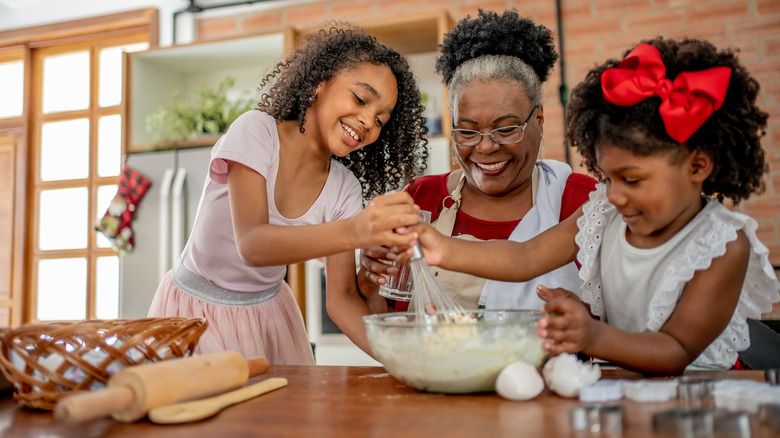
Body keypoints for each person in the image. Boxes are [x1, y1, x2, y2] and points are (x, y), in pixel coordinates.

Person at [409, 36, 780, 373]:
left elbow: (675, 350)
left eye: (631, 180)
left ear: (697, 165)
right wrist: (442, 249)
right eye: (607, 178)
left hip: (703, 401)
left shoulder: (721, 244)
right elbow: (525, 257)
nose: (614, 194)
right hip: (632, 390)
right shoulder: (607, 211)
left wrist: (593, 334)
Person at [147, 23, 429, 365]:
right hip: (196, 311)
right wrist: (358, 230)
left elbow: (340, 300)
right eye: (360, 98)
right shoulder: (256, 132)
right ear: (319, 83)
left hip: (270, 315)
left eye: (381, 120)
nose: (369, 121)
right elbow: (252, 244)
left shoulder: (343, 189)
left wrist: (405, 360)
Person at [358, 10, 597, 312]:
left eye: (507, 129)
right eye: (468, 132)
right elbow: (386, 318)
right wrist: (370, 277)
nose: (485, 147)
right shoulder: (421, 200)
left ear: (538, 120)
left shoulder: (578, 200)